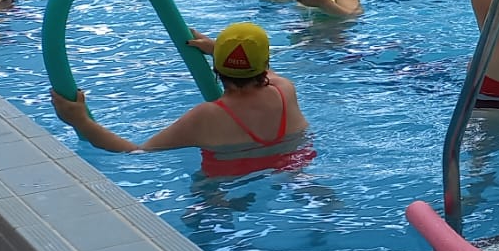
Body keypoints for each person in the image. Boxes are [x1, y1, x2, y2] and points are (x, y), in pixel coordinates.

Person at [50, 22, 314, 176]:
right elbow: (262, 69)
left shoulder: (206, 116)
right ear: (265, 63)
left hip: (226, 183)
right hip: (291, 168)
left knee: (206, 206)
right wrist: (220, 51)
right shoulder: (285, 90)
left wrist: (81, 122)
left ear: (217, 68)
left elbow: (135, 152)